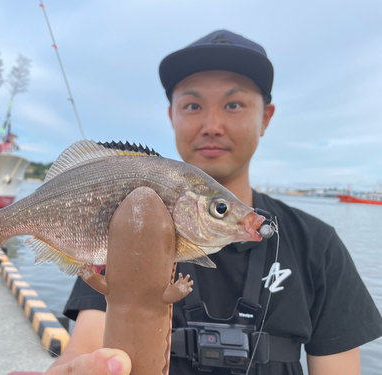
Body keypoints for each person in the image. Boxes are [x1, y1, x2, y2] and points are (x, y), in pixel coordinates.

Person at [45, 30, 382, 375]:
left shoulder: (317, 245)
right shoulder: (121, 226)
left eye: (233, 104)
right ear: (171, 116)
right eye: (192, 106)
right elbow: (84, 347)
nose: (212, 125)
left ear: (265, 117)